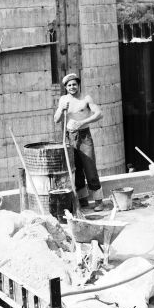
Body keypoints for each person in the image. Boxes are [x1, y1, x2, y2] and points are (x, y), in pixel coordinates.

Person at [54, 73, 104, 212]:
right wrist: (62, 109)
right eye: (69, 85)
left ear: (78, 85)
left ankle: (99, 201)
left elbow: (99, 114)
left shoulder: (86, 98)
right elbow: (56, 119)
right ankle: (83, 201)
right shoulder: (63, 100)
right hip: (69, 137)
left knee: (90, 167)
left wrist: (82, 122)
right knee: (76, 169)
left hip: (84, 136)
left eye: (74, 84)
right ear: (66, 87)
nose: (72, 87)